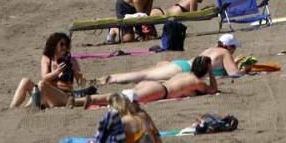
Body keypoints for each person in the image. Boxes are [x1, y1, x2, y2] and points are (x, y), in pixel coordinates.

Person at [99, 35, 249, 86]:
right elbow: (234, 74)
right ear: (230, 46)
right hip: (182, 70)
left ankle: (111, 78)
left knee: (145, 74)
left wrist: (235, 60)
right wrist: (246, 69)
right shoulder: (224, 52)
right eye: (234, 48)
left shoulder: (213, 49)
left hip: (181, 65)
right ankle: (111, 79)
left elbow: (216, 67)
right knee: (143, 76)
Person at [87, 56, 217, 107]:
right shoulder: (197, 82)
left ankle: (81, 100)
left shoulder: (184, 74)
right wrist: (211, 71)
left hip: (154, 84)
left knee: (124, 95)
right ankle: (88, 99)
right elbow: (213, 89)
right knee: (121, 99)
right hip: (160, 90)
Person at [9, 32, 88, 108]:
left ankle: (31, 106)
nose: (64, 47)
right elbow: (45, 77)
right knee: (25, 81)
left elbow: (81, 83)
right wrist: (57, 72)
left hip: (62, 95)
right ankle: (13, 108)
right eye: (61, 44)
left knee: (42, 84)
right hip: (46, 94)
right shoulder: (47, 58)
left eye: (66, 44)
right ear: (54, 45)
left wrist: (78, 75)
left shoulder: (71, 60)